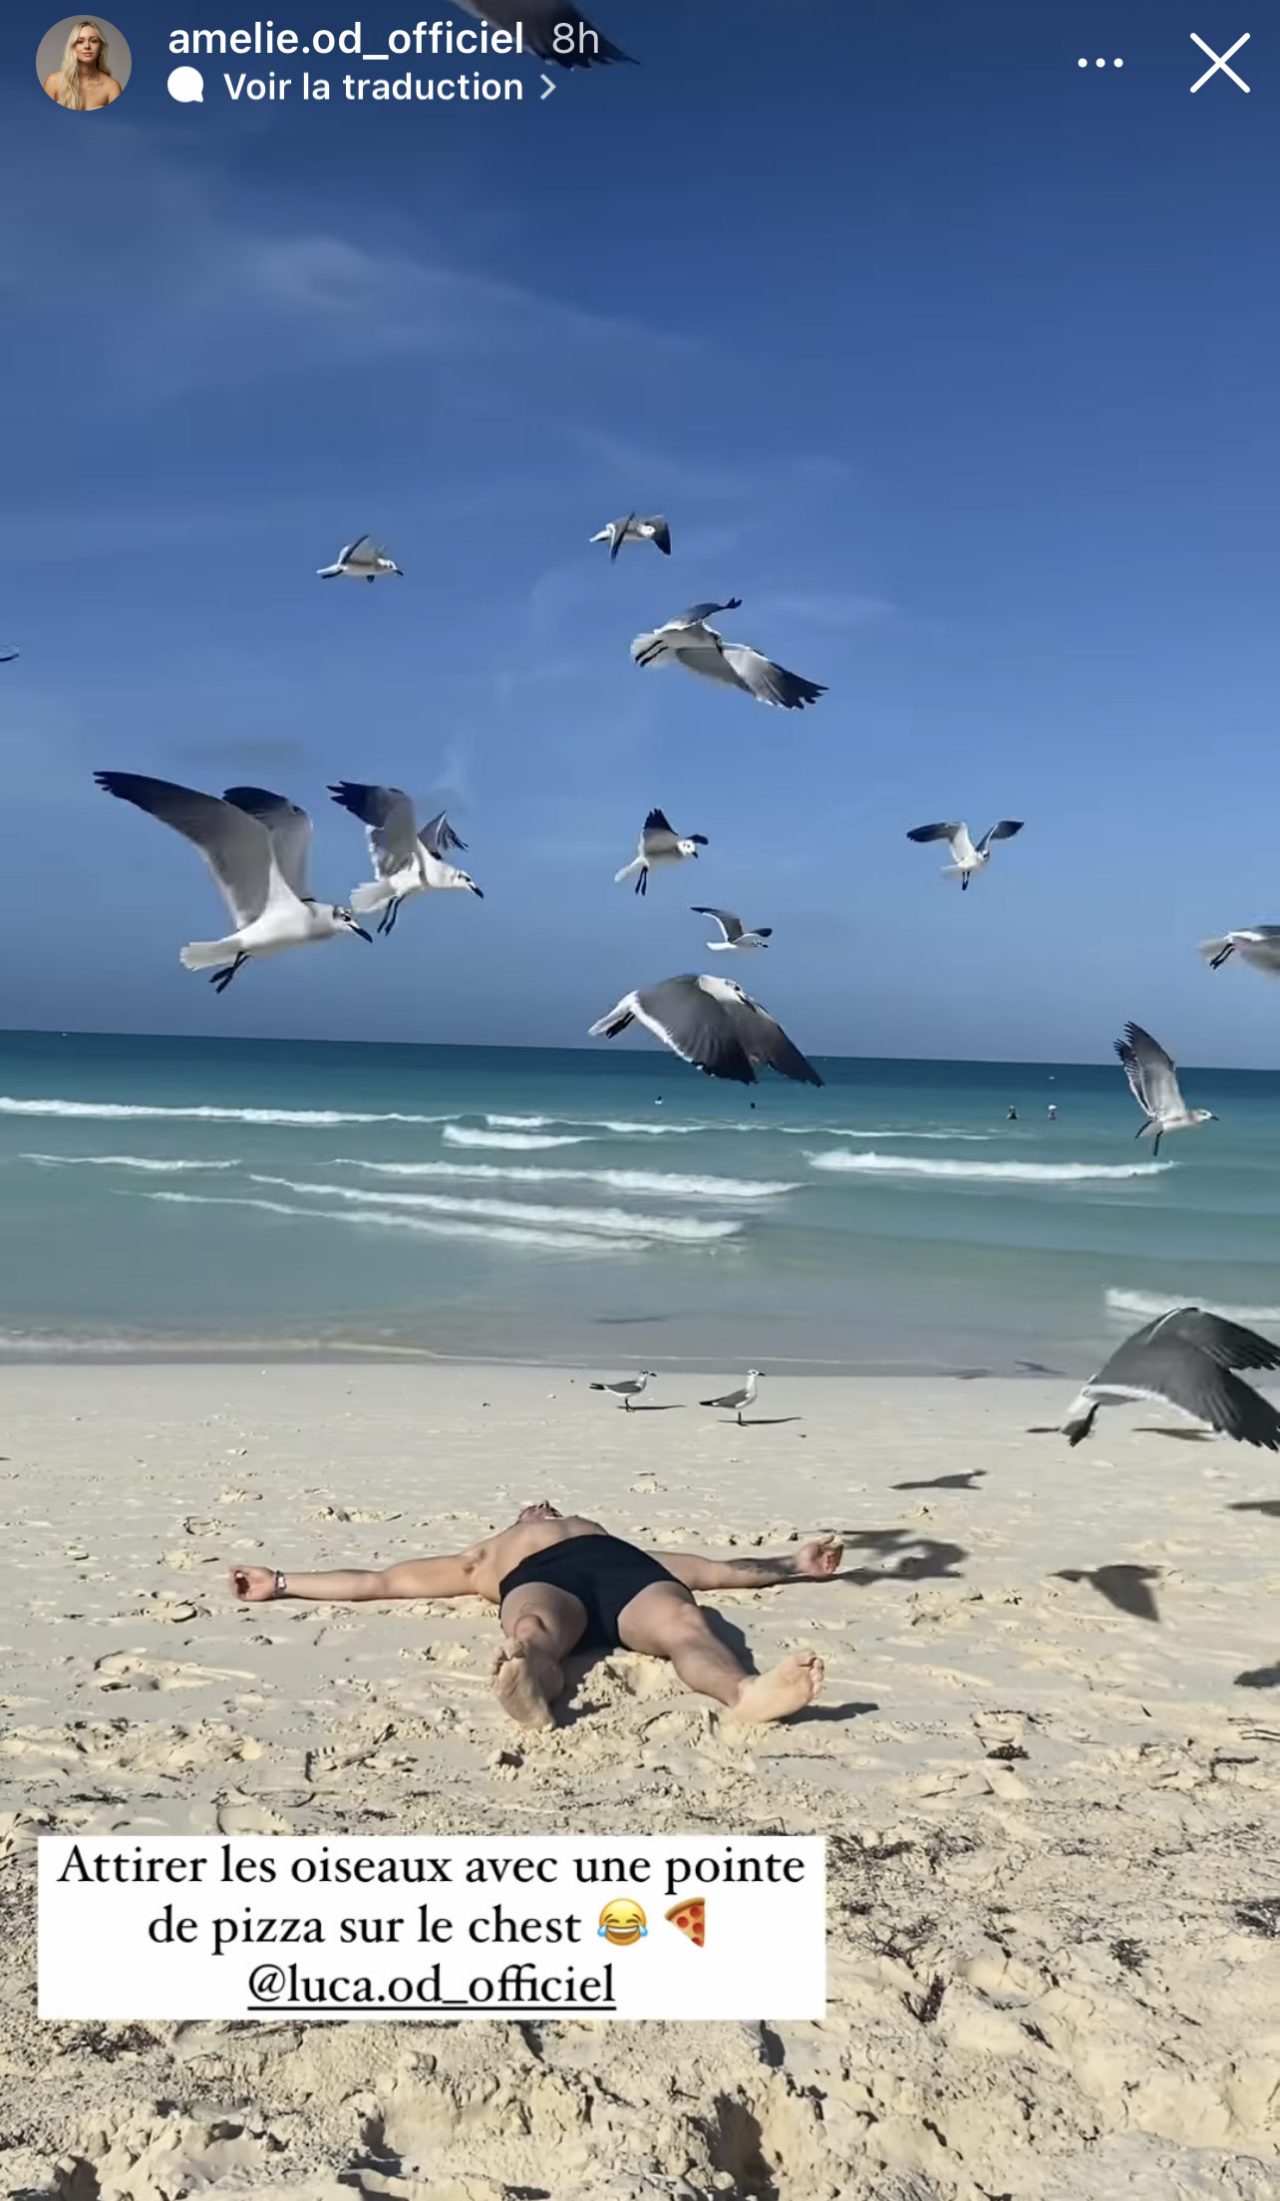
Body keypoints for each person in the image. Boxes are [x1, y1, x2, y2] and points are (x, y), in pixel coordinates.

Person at [231, 1502, 838, 1732]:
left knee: (687, 1623)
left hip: (625, 1571)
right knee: (531, 1634)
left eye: (551, 1504)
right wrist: (281, 1583)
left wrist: (793, 1563)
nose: (544, 1503)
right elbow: (380, 1582)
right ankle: (534, 1684)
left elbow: (716, 1569)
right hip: (543, 1580)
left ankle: (746, 1693)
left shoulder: (611, 1536)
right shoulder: (484, 1558)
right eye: (533, 1506)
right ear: (521, 1518)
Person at [44, 19, 121, 108]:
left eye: (93, 41)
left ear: (101, 47)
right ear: (73, 47)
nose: (87, 46)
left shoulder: (112, 87)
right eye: (80, 41)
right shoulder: (53, 82)